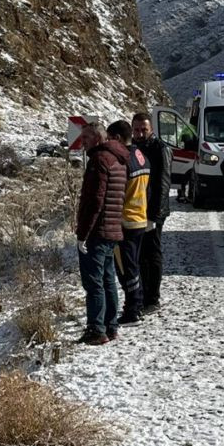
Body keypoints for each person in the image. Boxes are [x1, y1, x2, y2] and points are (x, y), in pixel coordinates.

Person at [73, 115, 127, 345]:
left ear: (96, 138)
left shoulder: (98, 161)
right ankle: (111, 325)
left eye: (85, 138)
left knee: (94, 282)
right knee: (107, 280)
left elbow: (94, 201)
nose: (81, 142)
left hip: (97, 231)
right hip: (113, 228)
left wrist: (82, 234)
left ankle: (96, 329)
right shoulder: (118, 159)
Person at [106, 120, 150, 324]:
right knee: (134, 265)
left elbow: (117, 192)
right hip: (140, 217)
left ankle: (133, 309)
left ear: (116, 138)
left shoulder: (123, 161)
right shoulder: (141, 157)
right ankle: (137, 305)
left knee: (126, 269)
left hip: (126, 220)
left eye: (109, 139)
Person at [132, 111, 171, 311]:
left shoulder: (159, 149)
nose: (140, 134)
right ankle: (142, 295)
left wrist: (155, 215)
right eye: (137, 130)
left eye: (144, 130)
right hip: (137, 210)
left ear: (151, 130)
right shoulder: (132, 148)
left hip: (154, 211)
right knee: (139, 256)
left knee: (152, 253)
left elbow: (163, 183)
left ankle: (152, 299)